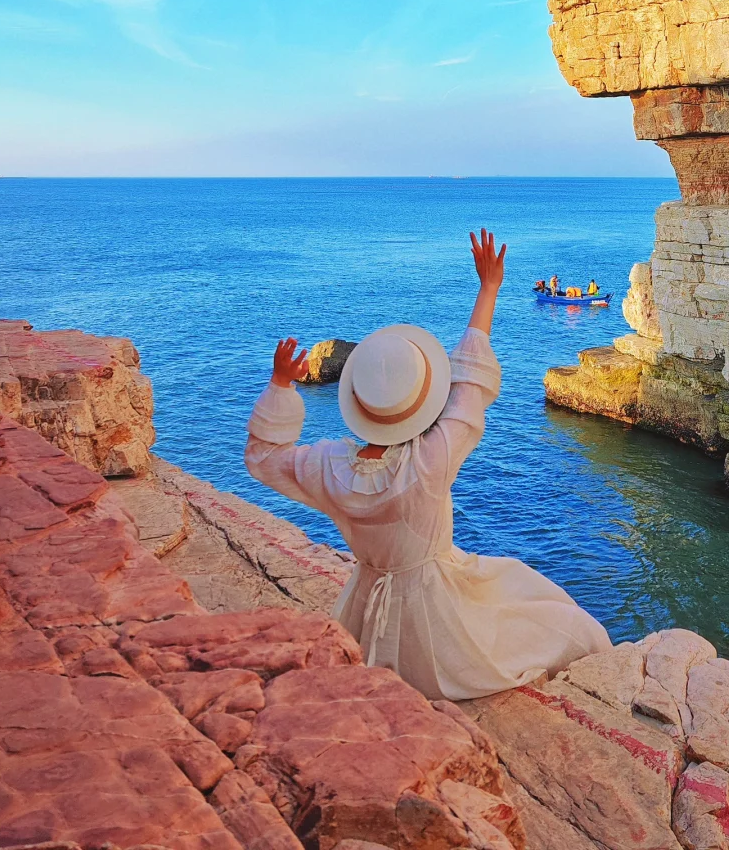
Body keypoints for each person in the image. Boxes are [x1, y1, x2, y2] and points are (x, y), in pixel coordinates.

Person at [244, 229, 611, 701]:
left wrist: (280, 385)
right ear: (421, 402)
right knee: (558, 621)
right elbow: (469, 389)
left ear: (358, 401)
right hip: (434, 617)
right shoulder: (427, 461)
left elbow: (265, 458)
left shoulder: (330, 467)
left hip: (364, 605)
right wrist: (488, 288)